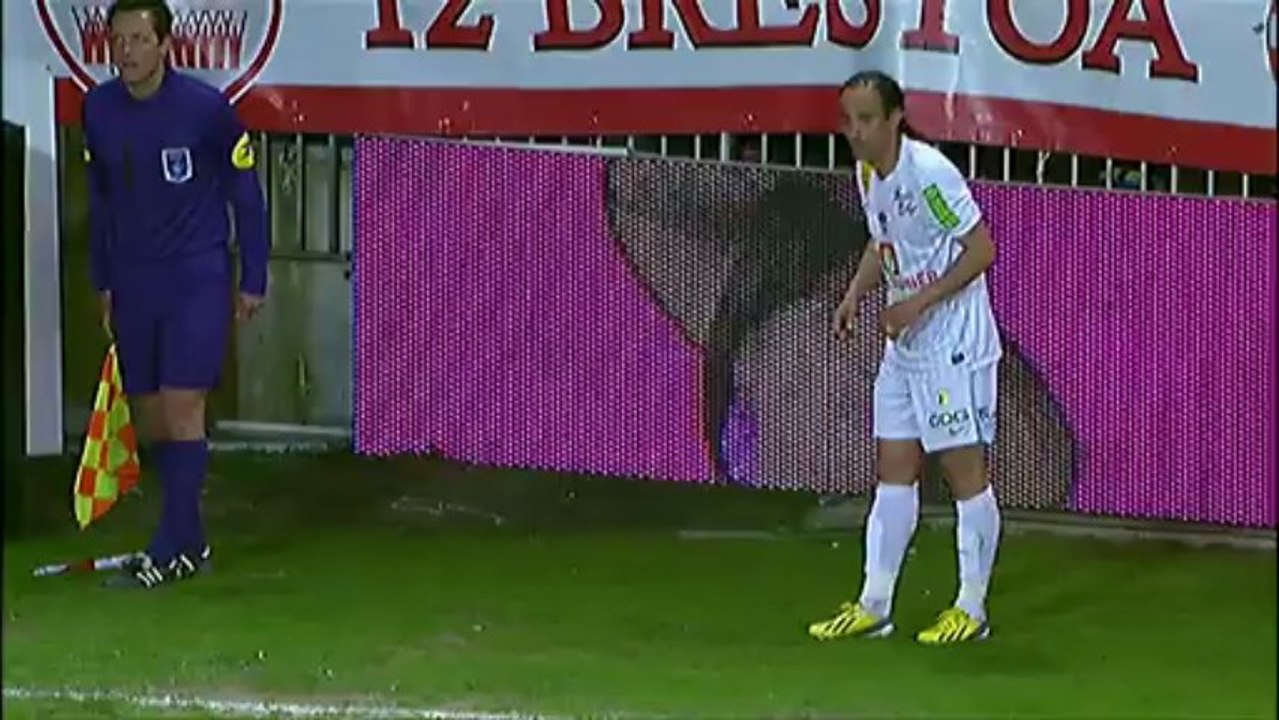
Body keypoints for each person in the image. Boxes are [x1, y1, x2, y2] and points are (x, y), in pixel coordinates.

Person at [807, 70, 1003, 644]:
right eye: (848, 120)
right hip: (904, 340)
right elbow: (881, 241)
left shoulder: (931, 174)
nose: (855, 132)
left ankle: (972, 609)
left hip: (950, 341)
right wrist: (854, 295)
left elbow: (981, 248)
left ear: (895, 117)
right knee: (893, 470)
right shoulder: (868, 174)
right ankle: (875, 604)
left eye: (866, 119)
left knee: (965, 475)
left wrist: (917, 303)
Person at [83, 0, 268, 589]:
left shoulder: (205, 110)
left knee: (184, 404)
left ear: (166, 45)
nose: (128, 52)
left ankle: (168, 548)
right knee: (152, 415)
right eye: (119, 41)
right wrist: (103, 280)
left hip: (196, 276)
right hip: (135, 281)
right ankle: (190, 541)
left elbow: (246, 194)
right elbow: (102, 204)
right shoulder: (99, 111)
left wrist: (254, 276)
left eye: (140, 39)